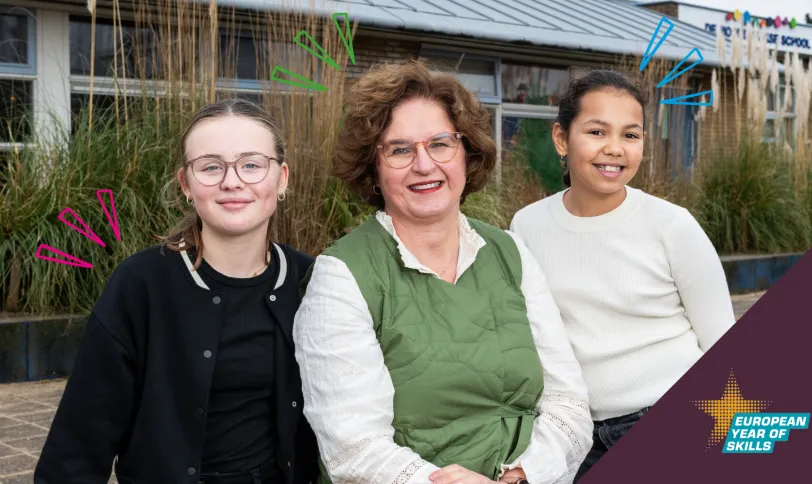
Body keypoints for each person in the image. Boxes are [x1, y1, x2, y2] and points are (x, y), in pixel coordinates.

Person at [292, 59, 593, 484]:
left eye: (440, 143)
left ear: (466, 154)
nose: (424, 164)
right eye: (400, 149)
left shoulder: (510, 252)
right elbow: (353, 448)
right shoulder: (342, 276)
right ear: (373, 170)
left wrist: (523, 474)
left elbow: (569, 402)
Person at [35, 99, 320, 484]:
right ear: (186, 183)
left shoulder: (310, 280)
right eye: (210, 167)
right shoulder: (141, 284)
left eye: (252, 164)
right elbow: (79, 442)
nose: (232, 181)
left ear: (281, 178)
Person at [509, 69, 736, 481]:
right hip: (574, 433)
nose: (615, 149)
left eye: (631, 135)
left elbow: (725, 345)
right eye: (597, 132)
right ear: (561, 138)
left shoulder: (672, 226)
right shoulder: (526, 226)